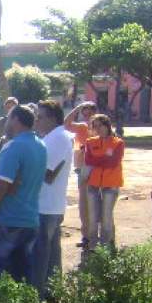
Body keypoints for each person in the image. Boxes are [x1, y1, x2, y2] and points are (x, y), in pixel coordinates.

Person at [0, 105, 46, 283]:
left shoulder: (13, 147)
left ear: (16, 119)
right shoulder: (40, 145)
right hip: (30, 220)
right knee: (22, 278)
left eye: (8, 118)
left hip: (6, 221)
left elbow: (1, 184)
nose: (6, 122)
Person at [32, 100, 74, 297]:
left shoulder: (58, 138)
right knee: (50, 252)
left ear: (52, 118)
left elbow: (49, 174)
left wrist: (25, 167)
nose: (37, 121)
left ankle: (39, 295)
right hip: (49, 204)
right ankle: (51, 293)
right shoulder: (53, 137)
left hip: (46, 205)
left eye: (40, 117)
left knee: (41, 253)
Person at [83, 114, 125, 251]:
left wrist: (98, 160)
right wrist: (104, 158)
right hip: (93, 184)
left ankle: (107, 245)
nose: (98, 129)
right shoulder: (90, 142)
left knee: (106, 217)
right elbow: (89, 161)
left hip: (110, 184)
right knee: (93, 217)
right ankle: (93, 245)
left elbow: (113, 162)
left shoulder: (118, 143)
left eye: (100, 125)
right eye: (95, 126)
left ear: (107, 125)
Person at [65, 101, 98, 249]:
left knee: (96, 204)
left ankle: (96, 237)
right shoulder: (81, 127)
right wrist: (76, 108)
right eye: (84, 111)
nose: (87, 113)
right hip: (82, 168)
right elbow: (66, 123)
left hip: (96, 170)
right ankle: (86, 236)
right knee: (84, 204)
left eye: (90, 110)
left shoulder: (100, 126)